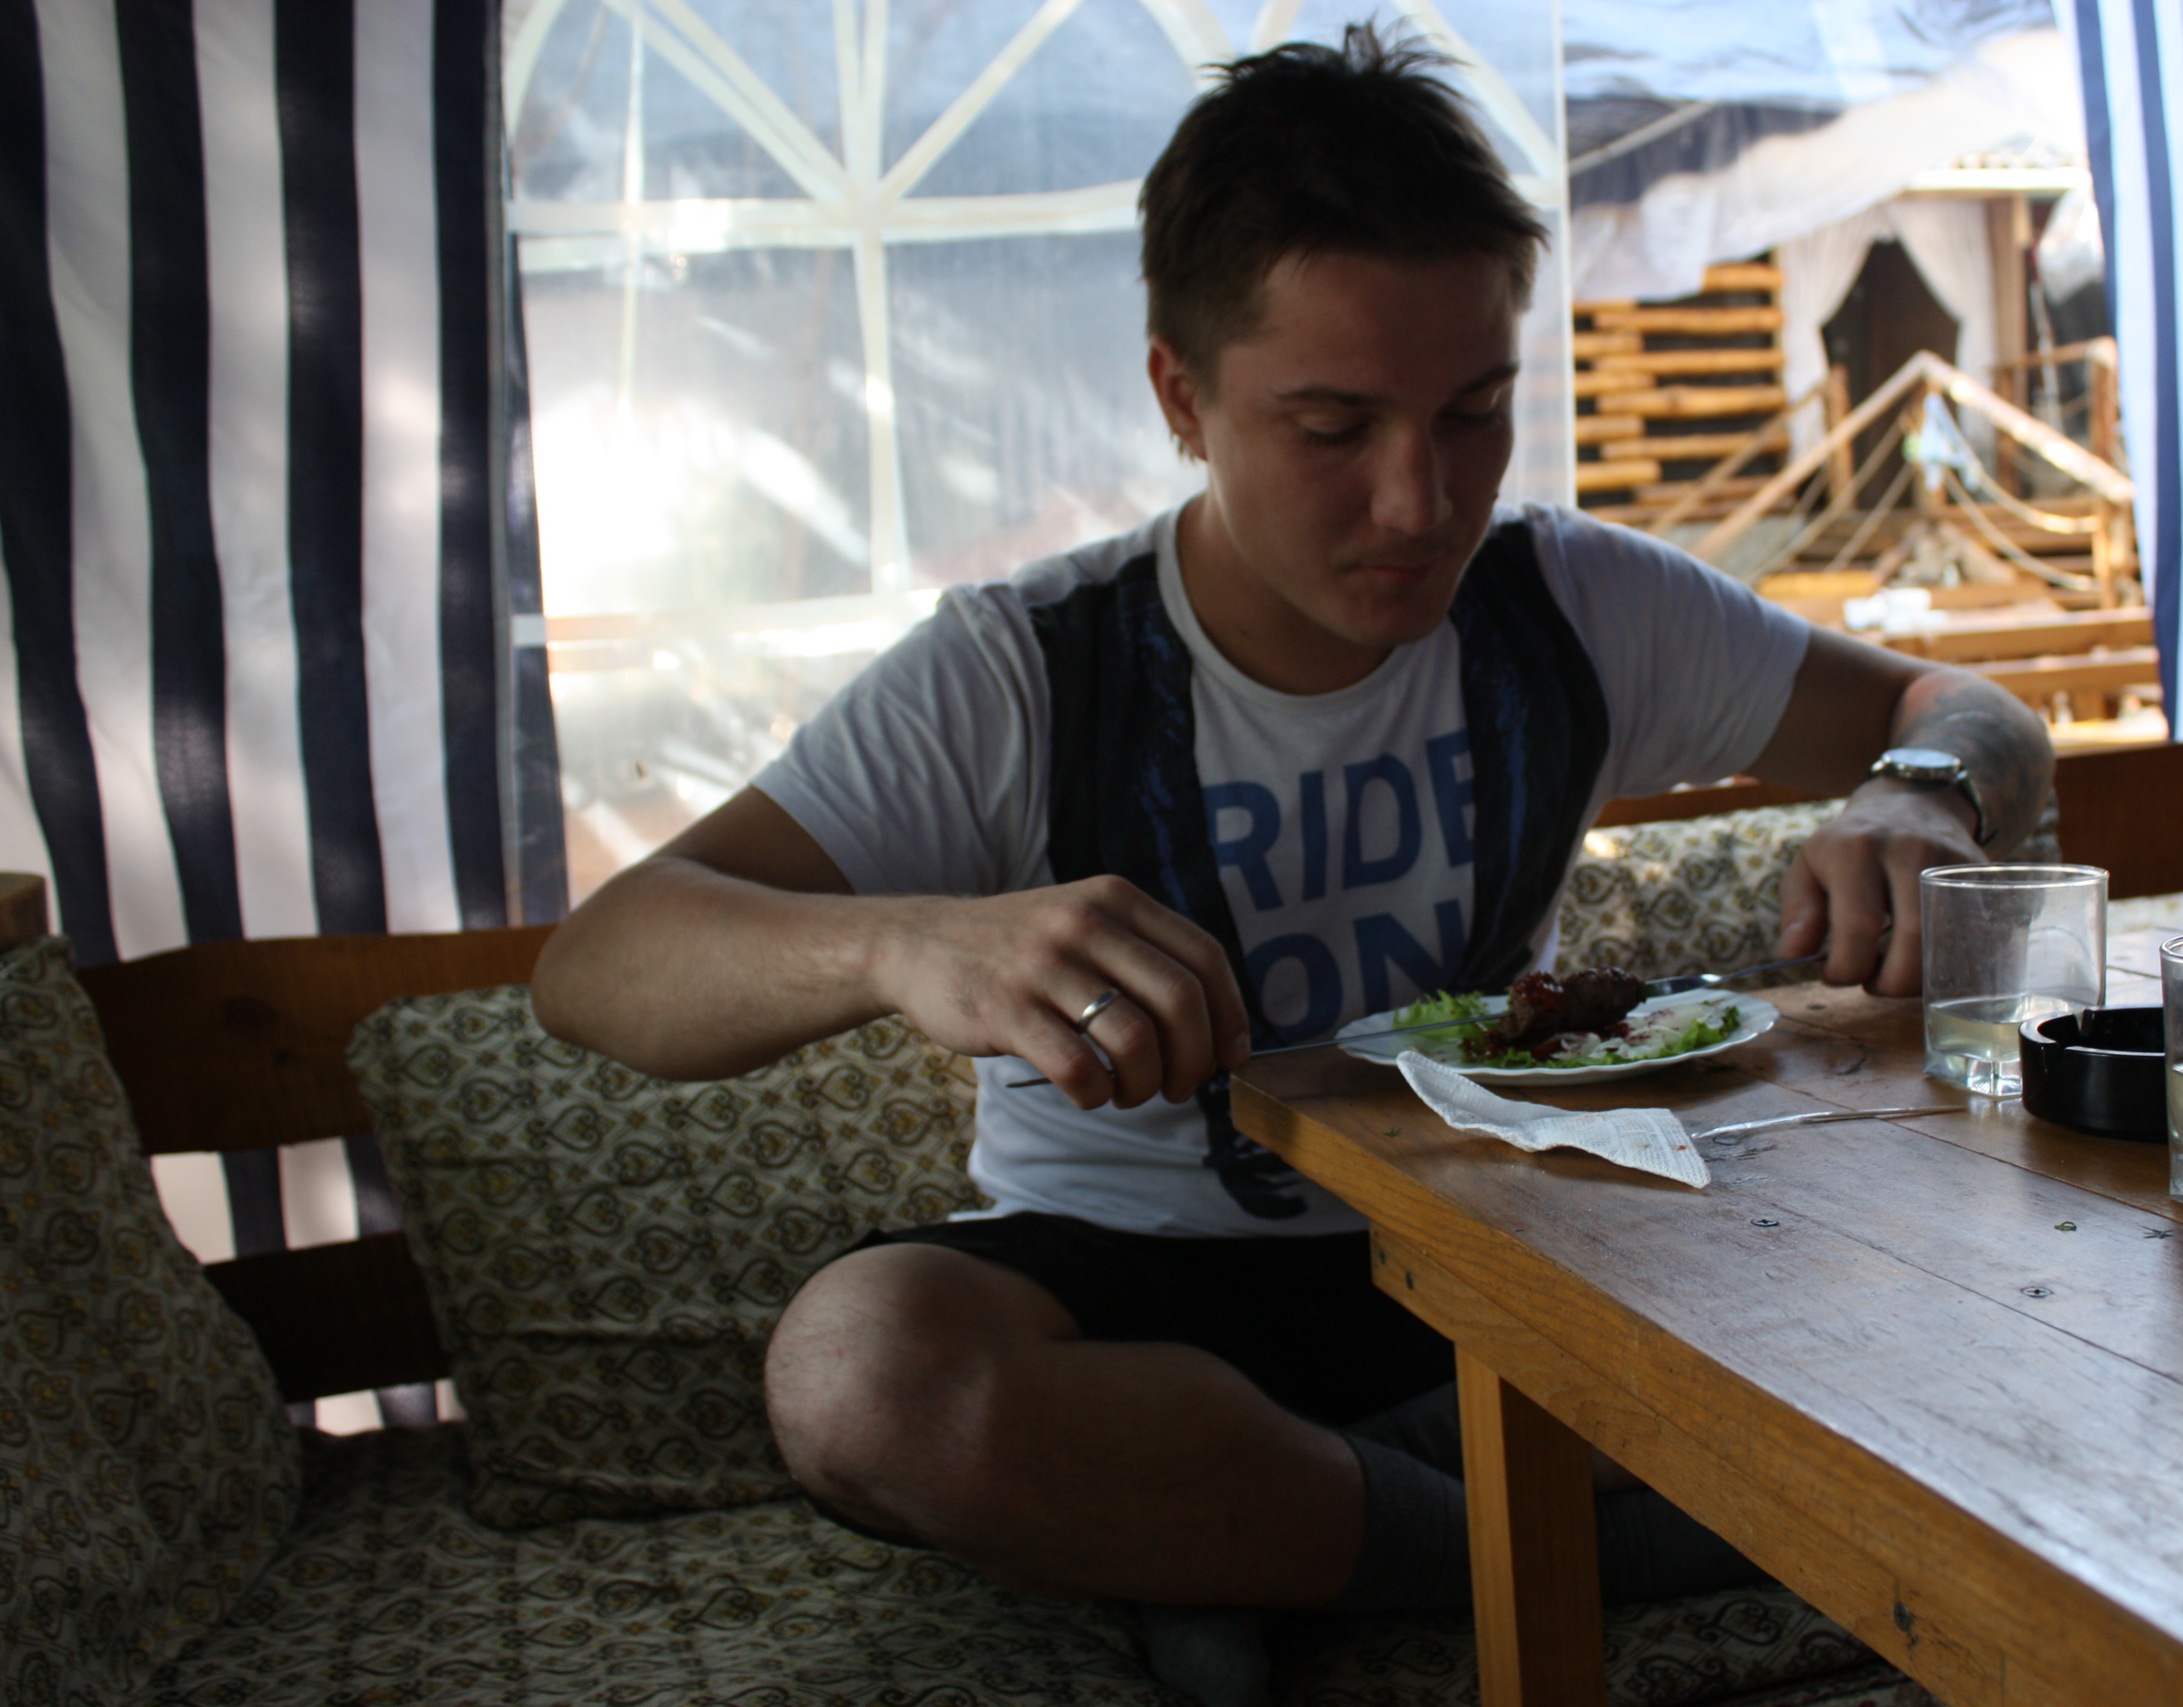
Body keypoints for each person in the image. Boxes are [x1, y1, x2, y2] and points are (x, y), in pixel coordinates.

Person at [531, 24, 2052, 1705]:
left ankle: (1238, 1538)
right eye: (1333, 427)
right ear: (1181, 396)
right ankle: (1577, 1544)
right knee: (861, 1379)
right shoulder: (1027, 669)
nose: (1421, 502)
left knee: (1949, 1243)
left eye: (1475, 413)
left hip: (1498, 1240)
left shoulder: (1570, 604)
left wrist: (1926, 793)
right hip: (1131, 1287)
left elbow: (1970, 712)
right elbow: (600, 965)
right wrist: (902, 944)